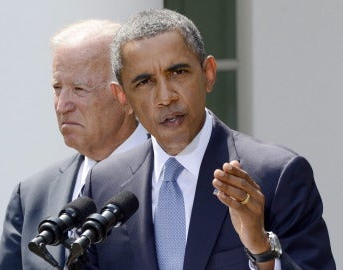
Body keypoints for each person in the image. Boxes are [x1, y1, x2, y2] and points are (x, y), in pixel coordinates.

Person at [83, 9, 336, 270]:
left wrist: (261, 249)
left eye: (178, 72)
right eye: (145, 81)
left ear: (209, 74)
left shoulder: (276, 175)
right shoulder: (104, 185)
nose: (166, 96)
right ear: (122, 98)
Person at [0, 19, 148, 270]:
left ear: (126, 95)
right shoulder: (31, 195)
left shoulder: (172, 180)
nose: (62, 105)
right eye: (57, 88)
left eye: (79, 89)